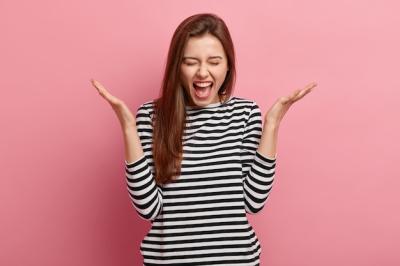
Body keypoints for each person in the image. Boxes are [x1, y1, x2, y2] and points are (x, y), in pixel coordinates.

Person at [91, 12, 316, 266]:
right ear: (177, 65)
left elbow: (253, 201)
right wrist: (129, 129)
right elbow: (148, 208)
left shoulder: (245, 114)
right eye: (190, 62)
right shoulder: (150, 117)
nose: (202, 72)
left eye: (214, 61)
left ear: (228, 65)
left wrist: (272, 125)